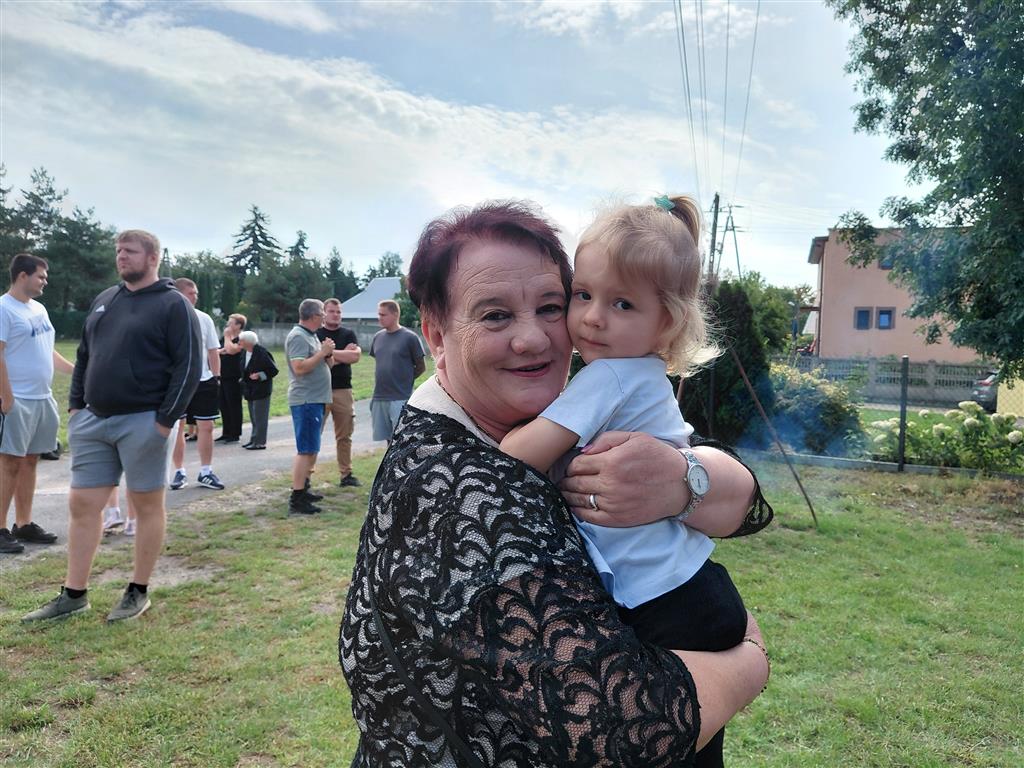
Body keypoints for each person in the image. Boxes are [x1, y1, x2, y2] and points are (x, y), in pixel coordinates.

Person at [340, 201, 773, 765]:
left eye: (550, 307)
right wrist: (751, 660)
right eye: (495, 316)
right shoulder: (457, 486)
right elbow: (626, 731)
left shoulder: (562, 405)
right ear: (436, 335)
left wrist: (682, 479)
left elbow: (745, 504)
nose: (533, 339)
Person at [501, 195, 745, 766]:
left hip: (663, 602)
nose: (592, 317)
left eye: (622, 303)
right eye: (583, 294)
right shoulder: (642, 375)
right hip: (692, 587)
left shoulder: (608, 377)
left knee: (652, 742)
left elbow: (515, 457)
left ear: (667, 322)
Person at [23, 229, 201, 623]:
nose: (121, 256)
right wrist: (76, 407)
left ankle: (138, 590)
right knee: (82, 505)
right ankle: (74, 594)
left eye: (130, 251)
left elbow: (188, 366)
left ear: (152, 258)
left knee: (146, 505)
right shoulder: (106, 299)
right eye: (118, 250)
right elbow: (85, 354)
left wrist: (163, 422)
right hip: (93, 420)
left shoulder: (173, 304)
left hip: (144, 421)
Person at [1, 254, 74, 554]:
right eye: (41, 276)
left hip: (43, 398)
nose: (45, 281)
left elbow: (47, 349)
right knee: (9, 463)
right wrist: (7, 398)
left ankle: (24, 523)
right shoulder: (4, 308)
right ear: (22, 276)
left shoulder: (39, 308)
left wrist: (76, 371)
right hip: (16, 400)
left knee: (31, 460)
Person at [169, 277, 224, 491]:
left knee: (206, 426)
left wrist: (216, 377)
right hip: (177, 382)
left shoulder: (204, 318)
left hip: (203, 379)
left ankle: (206, 471)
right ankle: (179, 471)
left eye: (196, 294)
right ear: (179, 294)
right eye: (191, 293)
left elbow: (213, 350)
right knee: (178, 427)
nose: (195, 297)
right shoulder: (168, 317)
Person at [285, 298, 335, 515]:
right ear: (314, 316)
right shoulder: (298, 336)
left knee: (311, 448)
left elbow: (326, 364)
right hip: (305, 399)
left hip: (315, 399)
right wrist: (322, 353)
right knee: (305, 450)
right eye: (323, 313)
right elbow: (299, 368)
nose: (325, 317)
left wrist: (327, 353)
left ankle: (304, 488)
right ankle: (297, 498)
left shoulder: (311, 335)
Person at [316, 297, 362, 487]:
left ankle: (346, 474)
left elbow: (355, 357)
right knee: (314, 435)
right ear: (324, 313)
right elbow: (316, 359)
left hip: (343, 390)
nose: (336, 315)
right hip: (320, 391)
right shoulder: (316, 333)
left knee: (344, 436)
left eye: (339, 312)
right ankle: (306, 477)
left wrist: (328, 353)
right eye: (332, 311)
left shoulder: (348, 333)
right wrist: (343, 353)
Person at [368, 299, 424, 442]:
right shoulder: (378, 337)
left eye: (383, 315)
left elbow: (421, 367)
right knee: (387, 439)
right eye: (379, 314)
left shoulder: (410, 337)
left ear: (395, 315)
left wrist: (405, 380)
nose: (379, 318)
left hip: (400, 397)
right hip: (380, 396)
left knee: (401, 439)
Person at [238, 330, 277, 450]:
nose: (239, 342)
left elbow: (273, 370)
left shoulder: (262, 353)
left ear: (248, 342)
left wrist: (260, 375)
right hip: (250, 390)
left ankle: (260, 442)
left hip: (261, 390)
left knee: (260, 418)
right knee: (253, 417)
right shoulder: (245, 352)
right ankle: (253, 439)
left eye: (241, 341)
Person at [216, 313, 247, 444]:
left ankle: (235, 433)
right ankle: (226, 432)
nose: (228, 324)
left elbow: (230, 350)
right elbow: (218, 350)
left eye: (231, 322)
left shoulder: (242, 338)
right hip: (223, 375)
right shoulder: (226, 338)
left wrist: (227, 336)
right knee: (223, 404)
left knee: (233, 404)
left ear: (238, 325)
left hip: (234, 376)